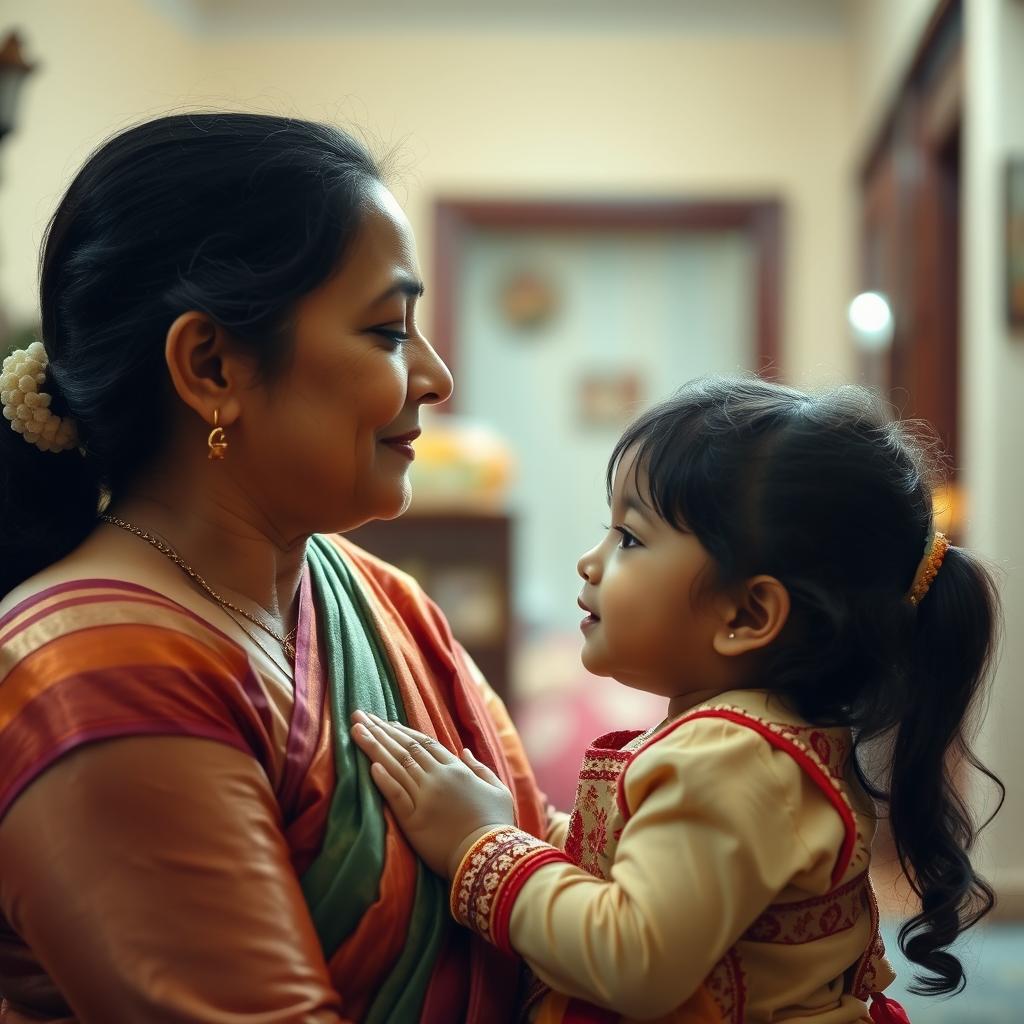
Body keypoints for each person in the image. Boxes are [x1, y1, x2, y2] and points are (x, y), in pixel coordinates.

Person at [0, 113, 559, 1023]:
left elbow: (540, 868)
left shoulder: (383, 600)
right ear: (211, 365)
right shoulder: (95, 672)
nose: (437, 376)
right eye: (387, 331)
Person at [352, 376, 1003, 1024]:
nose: (591, 561)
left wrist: (479, 844)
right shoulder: (749, 742)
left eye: (629, 539)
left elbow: (632, 959)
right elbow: (628, 865)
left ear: (748, 614)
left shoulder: (732, 758)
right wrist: (517, 820)